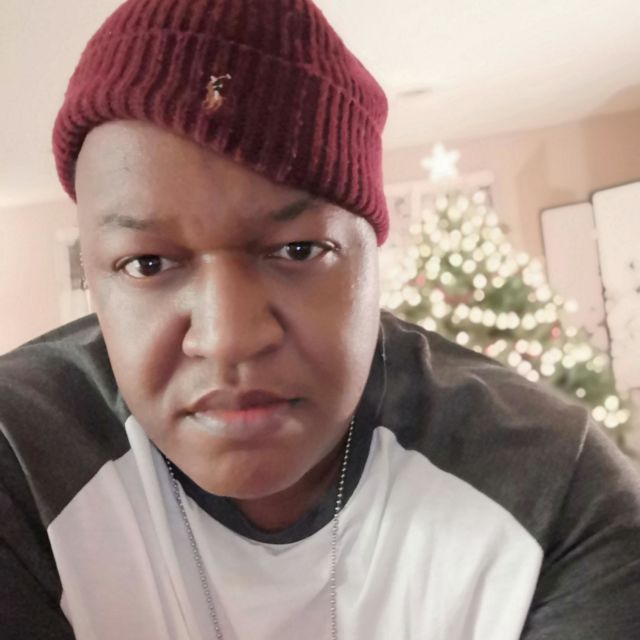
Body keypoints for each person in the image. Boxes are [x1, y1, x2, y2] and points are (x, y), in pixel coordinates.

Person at [1, 0, 639, 638]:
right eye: (147, 264)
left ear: (372, 259)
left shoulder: (552, 491)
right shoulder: (19, 461)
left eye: (299, 251)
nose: (229, 339)